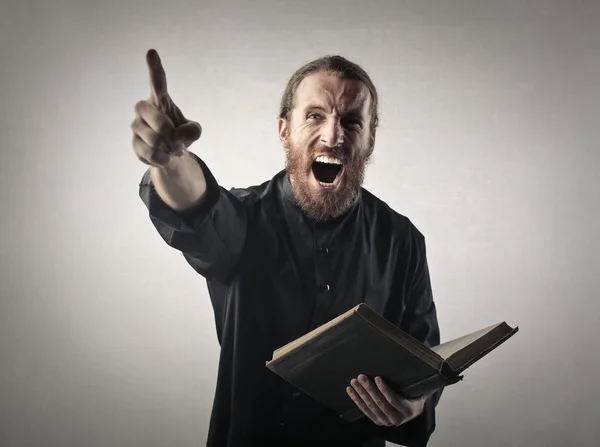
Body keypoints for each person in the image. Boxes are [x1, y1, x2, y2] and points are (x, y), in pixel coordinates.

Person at [133, 49, 442, 447]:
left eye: (351, 121)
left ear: (370, 141)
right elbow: (198, 209)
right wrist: (170, 161)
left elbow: (424, 365)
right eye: (315, 116)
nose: (333, 135)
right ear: (284, 131)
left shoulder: (403, 241)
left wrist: (414, 405)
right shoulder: (244, 218)